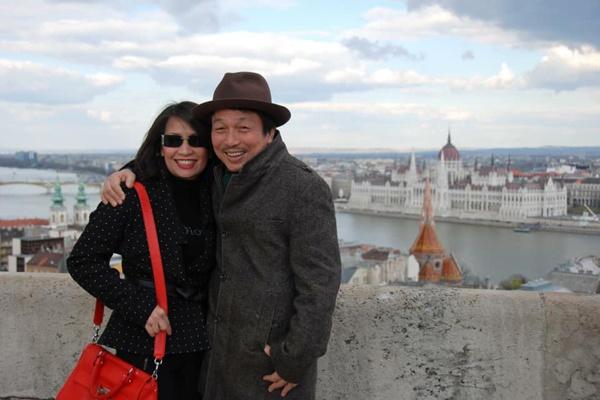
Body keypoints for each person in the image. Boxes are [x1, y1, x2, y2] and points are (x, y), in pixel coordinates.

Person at [101, 72, 342, 400]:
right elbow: (175, 155)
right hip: (214, 363)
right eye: (220, 129)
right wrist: (128, 171)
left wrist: (294, 359)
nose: (231, 140)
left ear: (270, 132)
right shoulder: (217, 174)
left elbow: (320, 285)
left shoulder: (302, 188)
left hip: (268, 370)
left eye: (243, 128)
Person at [68, 101, 215, 400]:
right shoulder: (133, 193)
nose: (185, 150)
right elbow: (83, 260)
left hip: (204, 343)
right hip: (144, 342)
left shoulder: (215, 191)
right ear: (160, 147)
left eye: (196, 140)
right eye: (173, 140)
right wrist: (139, 306)